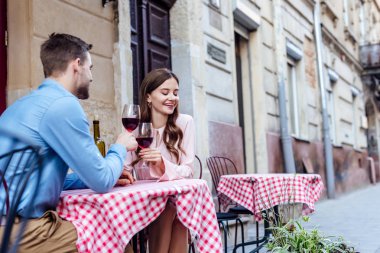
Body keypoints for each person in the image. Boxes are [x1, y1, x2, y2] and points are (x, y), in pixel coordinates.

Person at [0, 33, 138, 252]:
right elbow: (101, 180)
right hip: (21, 230)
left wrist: (86, 180)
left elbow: (35, 182)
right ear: (77, 65)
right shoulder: (64, 105)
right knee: (114, 233)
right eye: (90, 67)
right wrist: (120, 146)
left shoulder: (20, 106)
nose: (91, 77)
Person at [124, 68, 195, 253]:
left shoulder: (185, 122)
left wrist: (163, 164)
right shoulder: (134, 126)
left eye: (176, 93)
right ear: (148, 97)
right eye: (165, 92)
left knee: (173, 211)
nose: (172, 97)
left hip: (171, 201)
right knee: (168, 209)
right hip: (140, 202)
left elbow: (188, 170)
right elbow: (124, 169)